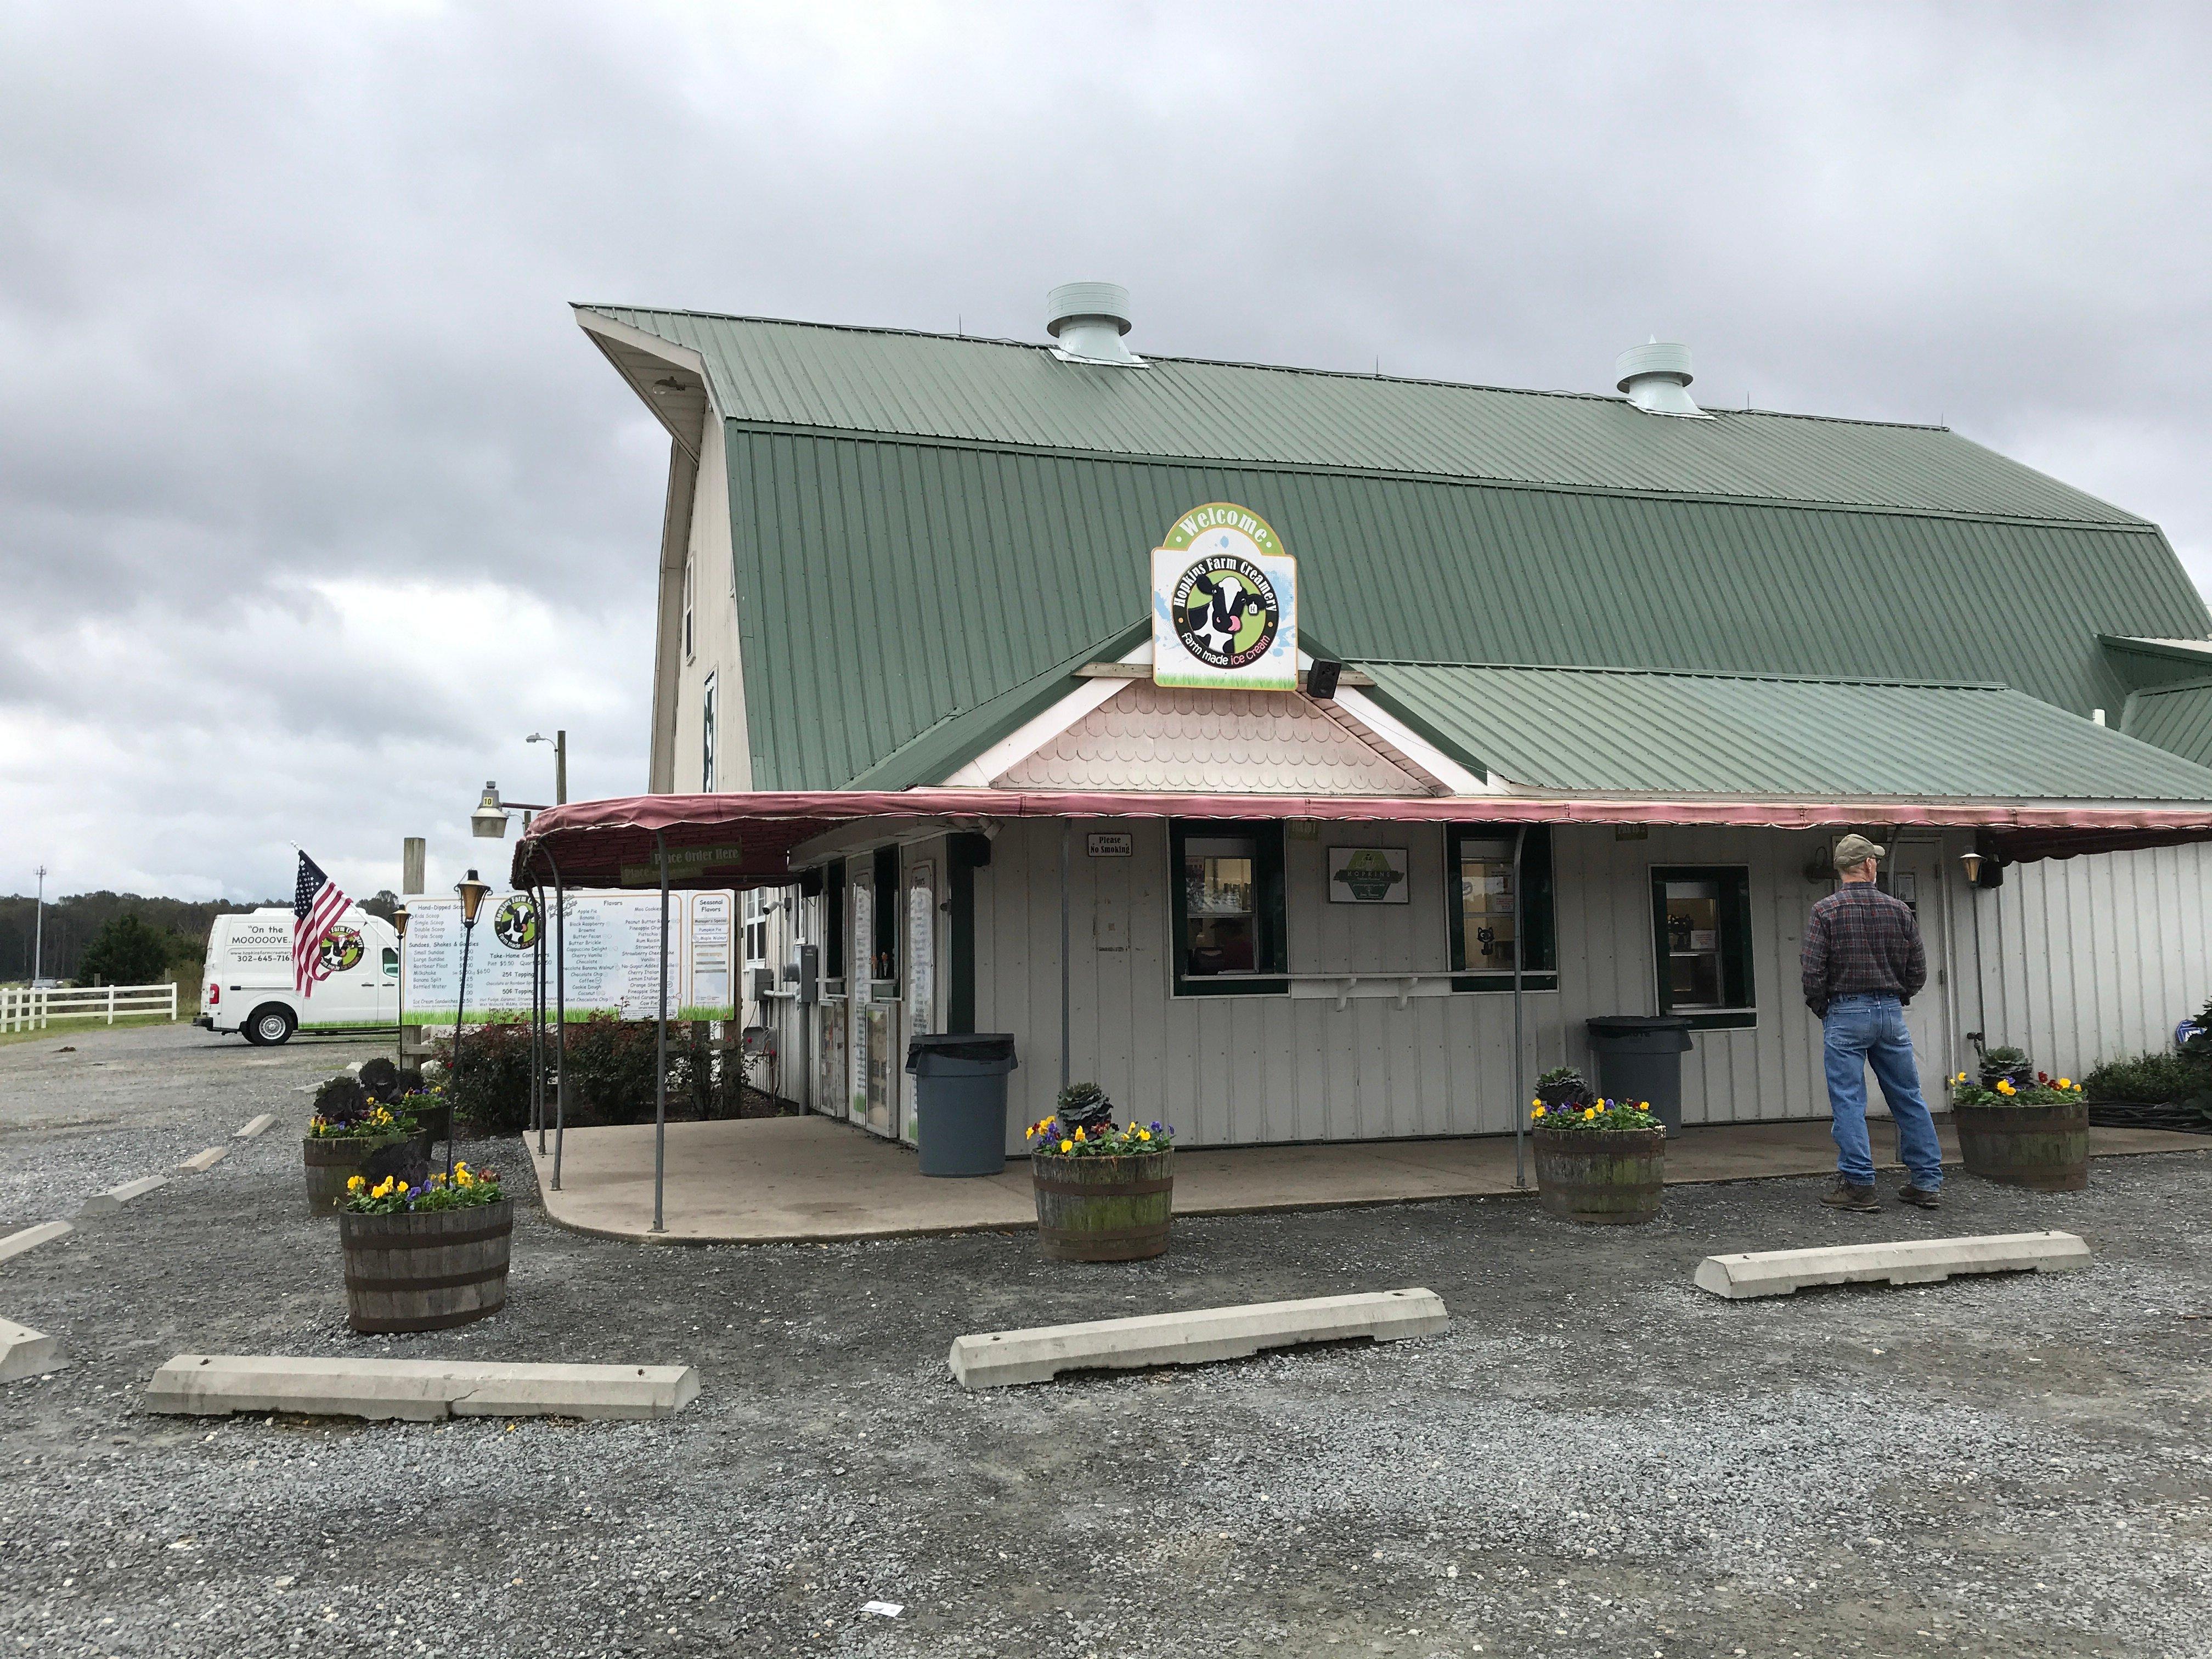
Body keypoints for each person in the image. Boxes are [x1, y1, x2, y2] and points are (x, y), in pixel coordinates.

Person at [1800, 834, 1944, 1212]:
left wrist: (1825, 1008)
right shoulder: (1899, 910)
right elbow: (1918, 971)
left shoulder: (1825, 911)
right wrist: (1898, 998)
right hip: (1890, 1012)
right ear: (1868, 865)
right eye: (1874, 861)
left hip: (1845, 1012)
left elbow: (1813, 971)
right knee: (1907, 1096)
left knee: (1849, 1099)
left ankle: (1860, 1185)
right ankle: (1927, 1182)